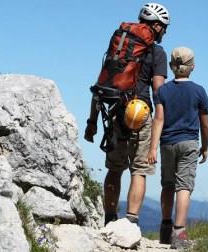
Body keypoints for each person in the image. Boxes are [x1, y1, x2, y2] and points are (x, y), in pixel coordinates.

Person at [84, 3, 170, 226]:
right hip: (140, 112)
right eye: (165, 27)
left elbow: (102, 82)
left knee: (114, 168)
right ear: (158, 26)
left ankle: (110, 218)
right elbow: (159, 90)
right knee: (139, 170)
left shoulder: (118, 47)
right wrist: (161, 119)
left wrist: (92, 122)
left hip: (115, 110)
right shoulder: (157, 53)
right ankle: (131, 222)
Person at [147, 47, 208, 249]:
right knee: (184, 186)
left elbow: (158, 119)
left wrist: (152, 148)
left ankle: (165, 228)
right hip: (189, 143)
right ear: (192, 67)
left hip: (167, 143)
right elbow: (205, 123)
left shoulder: (163, 91)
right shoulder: (199, 91)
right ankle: (179, 232)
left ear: (171, 66)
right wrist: (206, 147)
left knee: (167, 185)